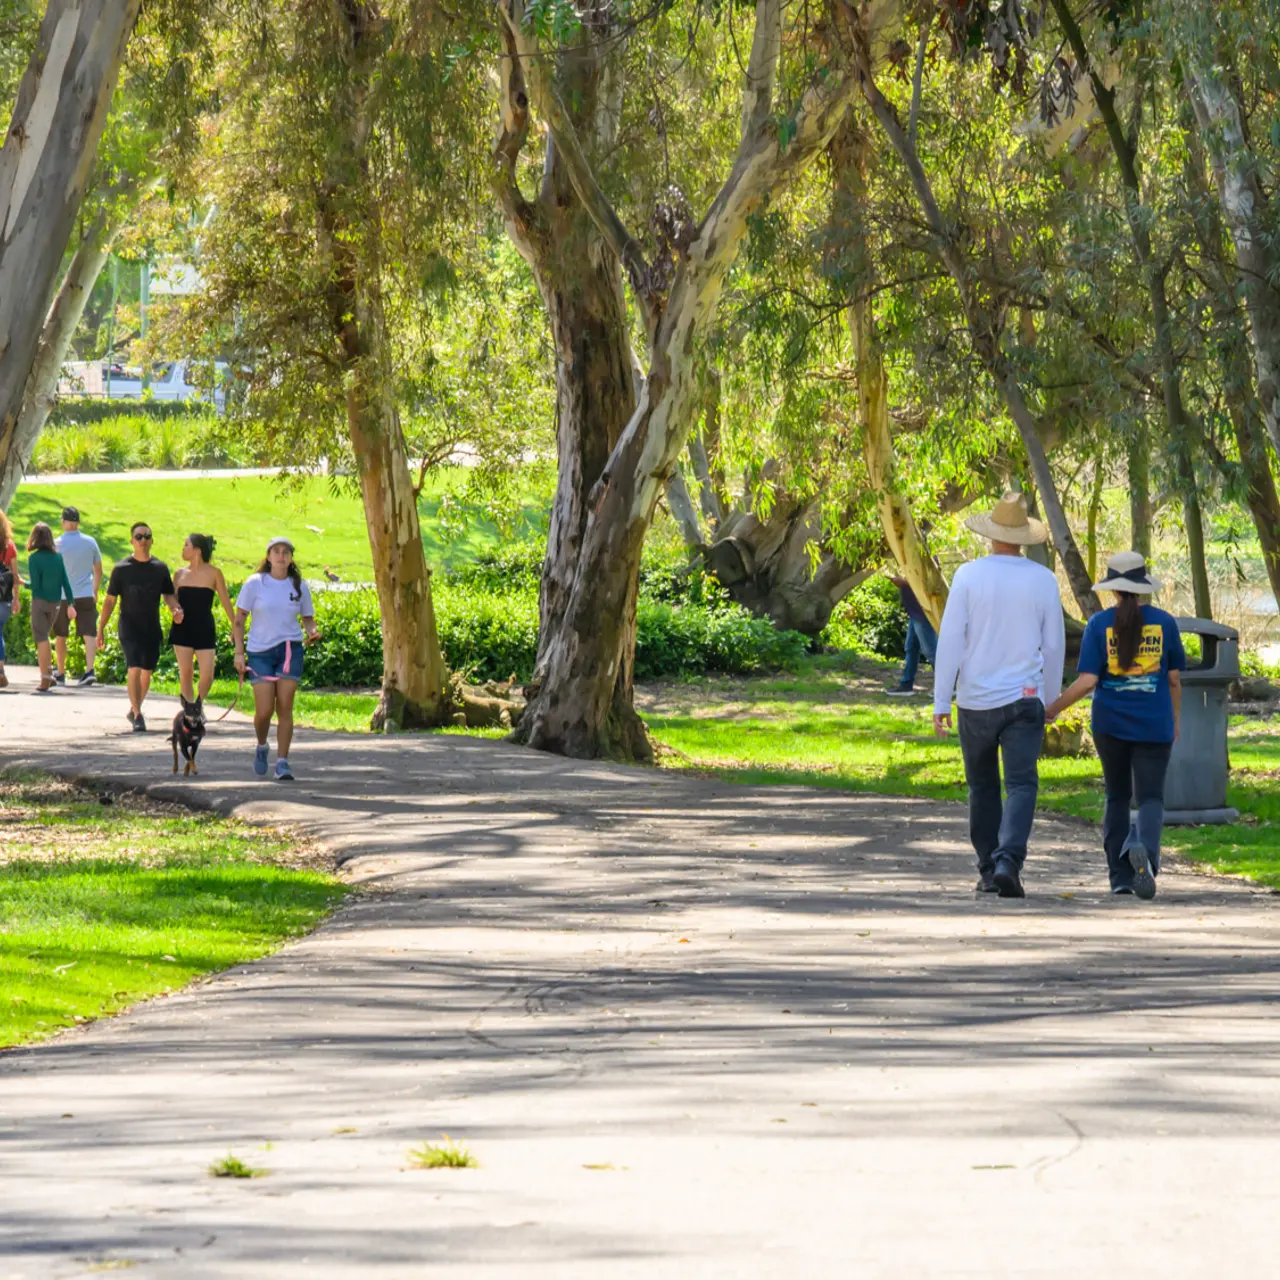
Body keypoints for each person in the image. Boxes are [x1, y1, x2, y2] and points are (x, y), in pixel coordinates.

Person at [933, 492, 1066, 898]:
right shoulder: (1042, 579)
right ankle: (1009, 860)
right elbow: (1055, 643)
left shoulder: (969, 576)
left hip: (975, 699)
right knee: (1022, 784)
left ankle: (988, 867)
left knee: (982, 786)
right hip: (1024, 697)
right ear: (1023, 537)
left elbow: (951, 639)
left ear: (991, 536)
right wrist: (1051, 698)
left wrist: (942, 700)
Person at [1046, 552, 1185, 900]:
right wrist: (1175, 721)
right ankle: (1146, 855)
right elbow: (1173, 680)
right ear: (1141, 587)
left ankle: (1120, 878)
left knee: (1117, 796)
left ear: (1113, 589)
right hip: (1154, 725)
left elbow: (1088, 680)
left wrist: (1054, 709)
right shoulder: (1165, 623)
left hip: (1110, 724)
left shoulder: (1098, 625)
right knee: (1151, 798)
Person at [233, 536, 320, 782]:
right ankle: (262, 745)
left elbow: (308, 618)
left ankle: (283, 762)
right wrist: (239, 653)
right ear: (268, 557)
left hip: (289, 648)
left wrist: (312, 631)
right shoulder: (255, 583)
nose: (281, 556)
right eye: (276, 551)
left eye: (286, 552)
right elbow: (239, 620)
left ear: (291, 558)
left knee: (285, 706)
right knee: (264, 711)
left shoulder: (299, 585)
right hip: (260, 651)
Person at [97, 521, 183, 733]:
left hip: (151, 627)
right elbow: (109, 601)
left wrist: (176, 609)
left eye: (147, 536)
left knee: (147, 671)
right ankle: (137, 714)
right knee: (134, 668)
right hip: (129, 626)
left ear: (152, 540)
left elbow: (168, 595)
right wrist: (100, 629)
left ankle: (135, 707)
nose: (143, 540)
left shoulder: (160, 568)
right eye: (139, 537)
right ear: (132, 541)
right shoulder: (121, 569)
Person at [170, 533, 234, 704]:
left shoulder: (214, 573)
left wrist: (236, 626)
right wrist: (175, 610)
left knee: (208, 674)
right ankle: (190, 711)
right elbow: (172, 599)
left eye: (186, 545)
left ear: (197, 550)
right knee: (186, 672)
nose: (183, 549)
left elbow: (226, 601)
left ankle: (199, 702)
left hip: (204, 627)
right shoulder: (179, 574)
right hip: (182, 627)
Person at [53, 505, 102, 686]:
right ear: (78, 522)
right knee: (89, 633)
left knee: (61, 634)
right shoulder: (90, 542)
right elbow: (98, 570)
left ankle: (60, 672)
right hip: (85, 593)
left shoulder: (56, 544)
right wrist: (95, 590)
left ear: (64, 522)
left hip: (64, 595)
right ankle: (89, 670)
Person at [25, 522, 76, 693]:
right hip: (56, 604)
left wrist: (22, 583)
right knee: (45, 636)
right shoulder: (58, 558)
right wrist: (71, 603)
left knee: (41, 638)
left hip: (40, 602)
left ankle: (45, 679)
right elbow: (65, 582)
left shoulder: (34, 559)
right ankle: (49, 673)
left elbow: (36, 586)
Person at [886, 575, 938, 696]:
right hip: (915, 612)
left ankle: (949, 686)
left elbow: (928, 580)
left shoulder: (929, 557)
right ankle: (906, 685)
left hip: (923, 612)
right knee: (911, 648)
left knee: (931, 651)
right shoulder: (910, 556)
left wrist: (904, 582)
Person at [0, 508, 19, 690]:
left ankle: (0, 669)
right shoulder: (9, 546)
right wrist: (17, 599)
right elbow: (15, 575)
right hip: (4, 599)